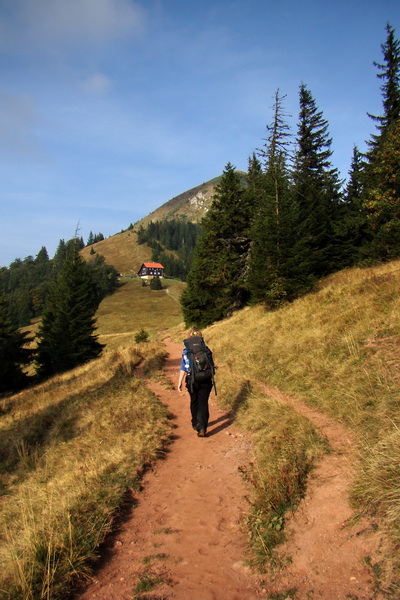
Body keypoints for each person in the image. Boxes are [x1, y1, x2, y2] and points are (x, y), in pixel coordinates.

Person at [177, 328, 214, 437]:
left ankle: (195, 423)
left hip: (192, 380)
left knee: (194, 401)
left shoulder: (186, 352)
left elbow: (184, 367)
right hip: (206, 380)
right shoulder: (206, 350)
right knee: (203, 402)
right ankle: (202, 427)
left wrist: (179, 382)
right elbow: (211, 366)